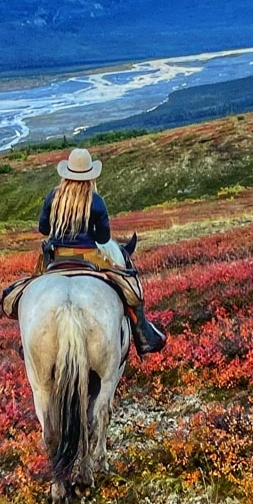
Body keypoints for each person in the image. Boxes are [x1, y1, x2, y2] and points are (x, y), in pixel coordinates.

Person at [39, 147, 166, 356]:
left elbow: (43, 229)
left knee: (35, 287)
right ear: (89, 175)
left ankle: (29, 345)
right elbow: (103, 238)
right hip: (90, 257)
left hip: (56, 256)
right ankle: (144, 336)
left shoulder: (53, 196)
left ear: (67, 173)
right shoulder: (95, 200)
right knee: (130, 287)